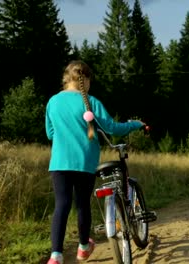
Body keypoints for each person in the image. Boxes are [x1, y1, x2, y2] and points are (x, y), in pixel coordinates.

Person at [45, 60, 144, 264]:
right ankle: (83, 247)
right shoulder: (91, 101)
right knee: (82, 204)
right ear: (86, 80)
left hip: (59, 162)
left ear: (66, 79)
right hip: (85, 162)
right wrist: (135, 124)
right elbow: (112, 128)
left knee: (61, 205)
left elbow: (50, 133)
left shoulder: (53, 102)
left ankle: (56, 255)